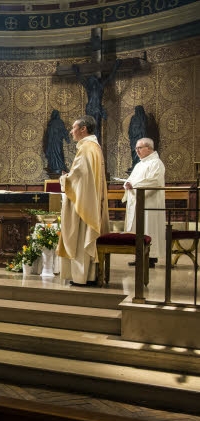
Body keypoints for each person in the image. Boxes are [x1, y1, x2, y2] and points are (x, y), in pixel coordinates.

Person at [56, 115, 109, 286]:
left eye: (73, 128)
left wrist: (65, 179)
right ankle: (90, 275)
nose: (71, 131)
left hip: (84, 203)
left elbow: (79, 176)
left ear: (83, 129)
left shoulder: (87, 148)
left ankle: (82, 277)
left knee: (80, 237)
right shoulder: (95, 148)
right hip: (90, 200)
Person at [123, 137, 165, 268]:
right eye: (136, 148)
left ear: (149, 148)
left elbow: (154, 181)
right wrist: (127, 184)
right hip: (138, 201)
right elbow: (130, 179)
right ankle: (140, 255)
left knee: (149, 227)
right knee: (139, 228)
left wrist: (133, 185)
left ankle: (151, 257)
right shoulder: (139, 164)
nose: (137, 151)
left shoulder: (156, 163)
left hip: (150, 202)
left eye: (139, 148)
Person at [73, 60, 120, 141]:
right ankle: (89, 143)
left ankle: (96, 143)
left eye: (93, 80)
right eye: (90, 81)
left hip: (97, 109)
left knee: (96, 127)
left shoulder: (100, 87)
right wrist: (76, 71)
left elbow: (110, 78)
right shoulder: (89, 88)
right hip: (90, 109)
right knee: (88, 127)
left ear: (95, 81)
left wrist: (116, 67)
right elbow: (81, 80)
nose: (92, 82)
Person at [44, 109, 70, 176]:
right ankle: (57, 167)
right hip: (57, 142)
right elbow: (64, 131)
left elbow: (62, 131)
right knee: (58, 153)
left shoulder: (52, 123)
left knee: (56, 154)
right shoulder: (57, 122)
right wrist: (67, 138)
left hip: (53, 142)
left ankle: (57, 167)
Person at [127, 105, 148, 172]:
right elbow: (130, 129)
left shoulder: (144, 117)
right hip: (134, 139)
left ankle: (140, 164)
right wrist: (131, 135)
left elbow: (145, 129)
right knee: (134, 152)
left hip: (141, 139)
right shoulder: (133, 118)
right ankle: (135, 165)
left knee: (140, 152)